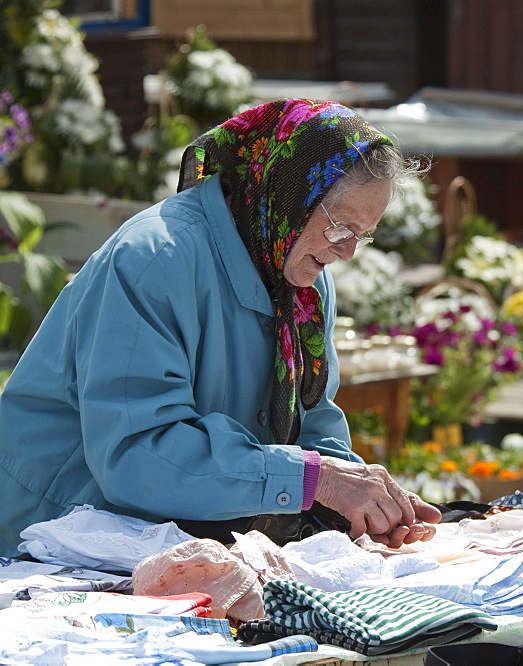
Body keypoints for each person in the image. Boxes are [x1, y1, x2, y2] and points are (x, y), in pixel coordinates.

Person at [0, 99, 441, 556]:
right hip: (56, 532)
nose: (347, 252)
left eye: (363, 234)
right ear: (287, 192)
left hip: (166, 536)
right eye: (339, 228)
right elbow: (137, 456)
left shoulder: (303, 278)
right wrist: (314, 481)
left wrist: (365, 500)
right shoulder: (155, 259)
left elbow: (314, 423)